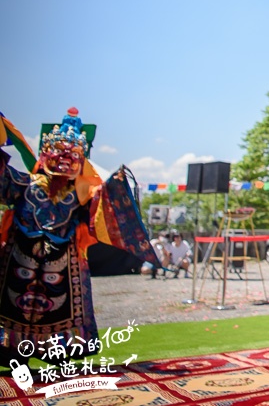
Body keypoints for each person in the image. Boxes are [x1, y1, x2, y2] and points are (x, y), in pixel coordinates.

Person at [0, 109, 160, 361]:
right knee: (14, 301)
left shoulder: (82, 194)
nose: (65, 159)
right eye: (59, 151)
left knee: (59, 306)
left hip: (64, 265)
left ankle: (57, 351)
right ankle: (11, 349)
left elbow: (104, 215)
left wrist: (115, 188)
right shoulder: (24, 184)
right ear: (45, 154)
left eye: (73, 154)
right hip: (21, 259)